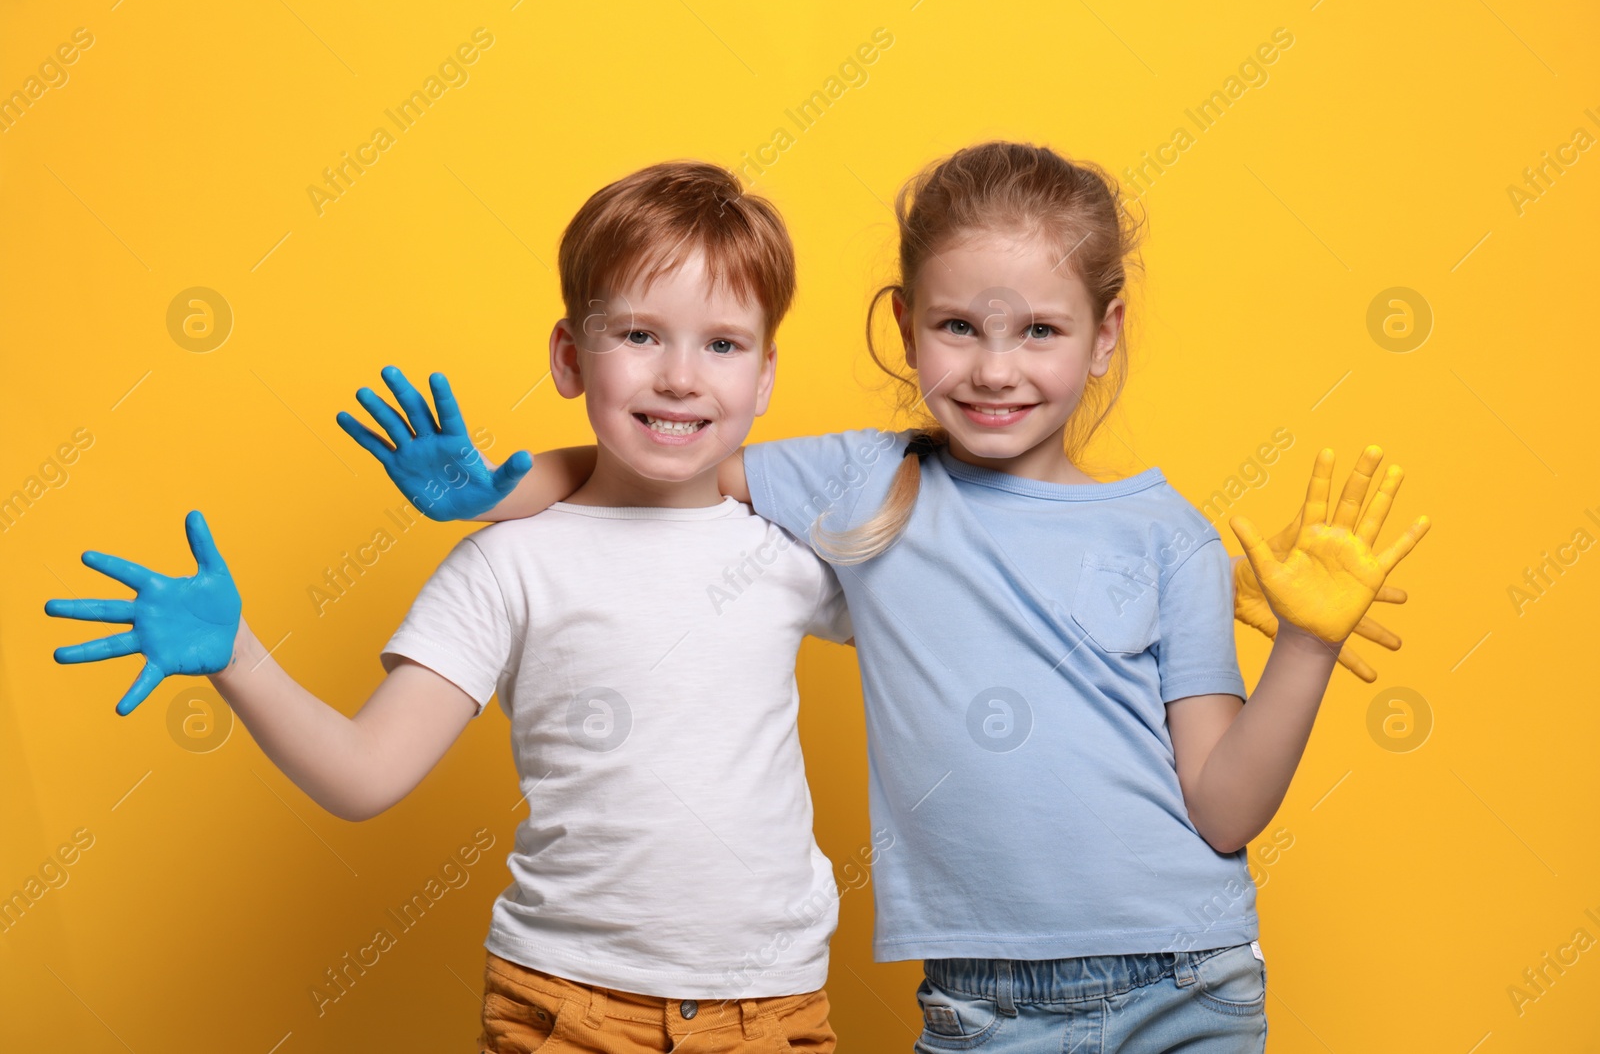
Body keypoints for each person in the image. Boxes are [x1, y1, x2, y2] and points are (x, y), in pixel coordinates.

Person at [373, 141, 1430, 1052]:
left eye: (1040, 332)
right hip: (983, 1005)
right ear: (904, 321)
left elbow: (1223, 805)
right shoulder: (861, 479)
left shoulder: (1173, 536)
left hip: (1190, 980)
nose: (995, 367)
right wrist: (493, 494)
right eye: (959, 325)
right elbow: (664, 465)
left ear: (1105, 334)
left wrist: (1303, 643)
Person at [45, 161, 852, 1053]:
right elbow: (365, 773)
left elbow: (940, 559)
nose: (679, 376)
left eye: (723, 345)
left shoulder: (789, 547)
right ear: (569, 358)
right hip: (564, 1006)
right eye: (639, 334)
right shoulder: (508, 563)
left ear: (767, 374)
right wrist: (239, 654)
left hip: (769, 1008)